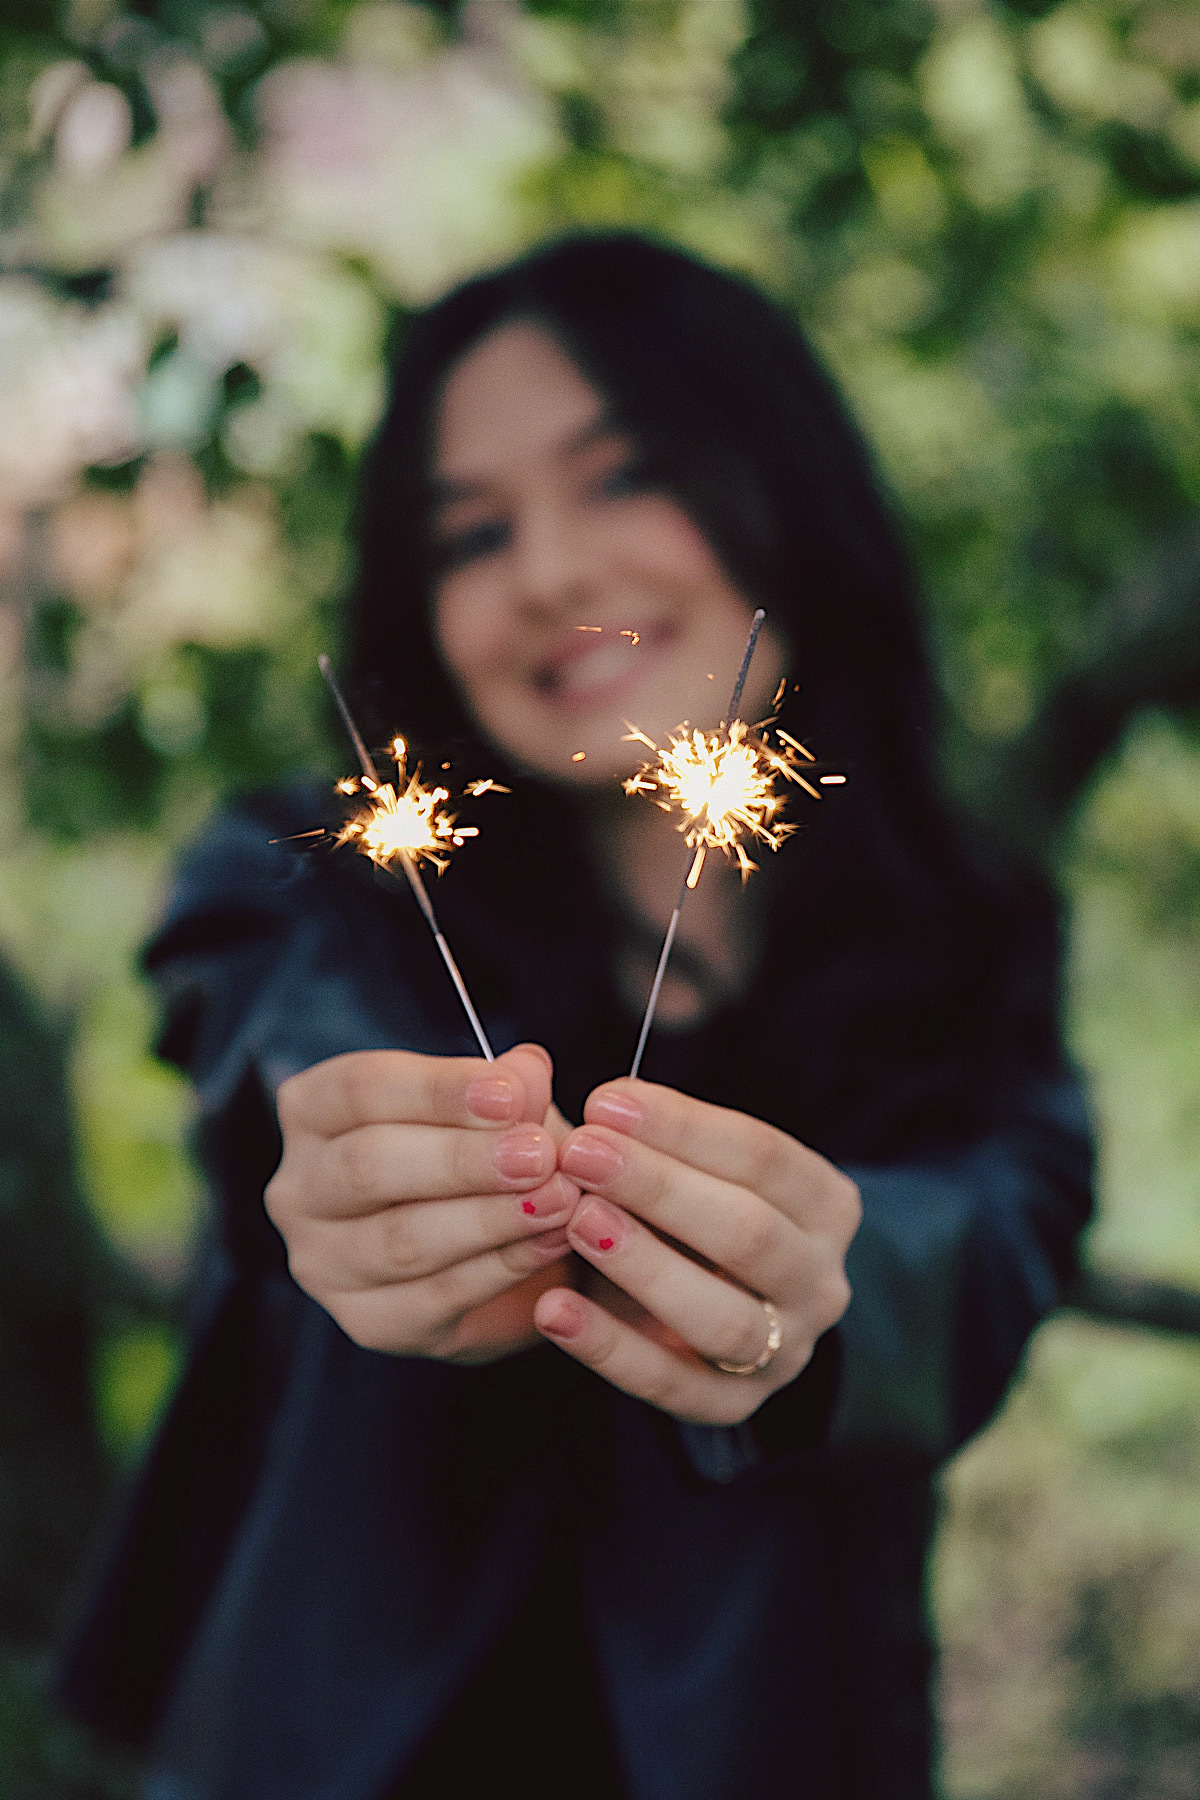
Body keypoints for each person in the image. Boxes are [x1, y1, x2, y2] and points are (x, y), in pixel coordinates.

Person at [58, 233, 1093, 1799]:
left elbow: (995, 1233)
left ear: (785, 491)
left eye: (621, 477)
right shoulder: (318, 883)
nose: (547, 574)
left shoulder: (969, 930)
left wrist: (819, 1296)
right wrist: (353, 1155)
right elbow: (279, 1029)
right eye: (470, 532)